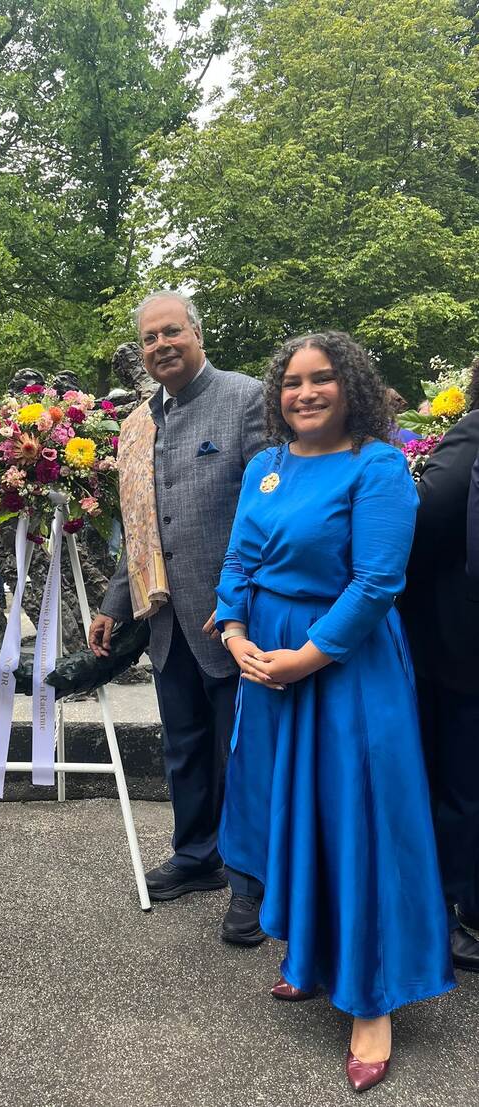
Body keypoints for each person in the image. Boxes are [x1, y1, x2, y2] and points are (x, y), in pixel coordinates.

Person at [216, 331, 454, 1091]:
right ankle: (311, 956)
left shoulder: (378, 465)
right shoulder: (266, 465)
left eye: (321, 379)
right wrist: (233, 629)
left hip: (346, 667)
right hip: (270, 663)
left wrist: (306, 655)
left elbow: (379, 581)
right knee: (297, 814)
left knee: (359, 824)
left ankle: (373, 1002)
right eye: (291, 382)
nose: (305, 393)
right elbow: (239, 561)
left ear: (350, 385)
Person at [88, 290, 267, 944]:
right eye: (149, 338)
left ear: (197, 332)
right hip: (167, 621)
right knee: (185, 746)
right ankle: (198, 856)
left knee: (242, 753)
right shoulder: (140, 422)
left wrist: (243, 599)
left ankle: (251, 882)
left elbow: (266, 513)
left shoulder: (247, 399)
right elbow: (137, 526)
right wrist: (114, 605)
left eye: (171, 332)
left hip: (233, 618)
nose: (160, 345)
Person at [401, 356, 479, 968]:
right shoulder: (472, 431)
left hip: (459, 647)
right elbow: (432, 518)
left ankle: (459, 906)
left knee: (461, 780)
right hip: (461, 646)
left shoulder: (472, 431)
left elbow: (426, 519)